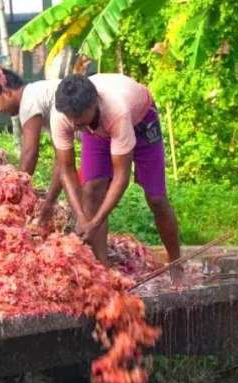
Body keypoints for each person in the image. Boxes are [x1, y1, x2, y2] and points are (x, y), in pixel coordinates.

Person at [51, 74, 182, 278]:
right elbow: (66, 169)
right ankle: (103, 271)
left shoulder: (116, 111)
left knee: (156, 198)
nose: (76, 126)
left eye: (80, 121)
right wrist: (82, 217)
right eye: (73, 122)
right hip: (97, 127)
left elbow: (122, 176)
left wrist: (94, 223)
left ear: (94, 104)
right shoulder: (63, 116)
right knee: (92, 189)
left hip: (141, 122)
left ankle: (176, 262)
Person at [0, 68, 62, 224]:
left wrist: (13, 194)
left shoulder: (28, 100)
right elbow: (62, 160)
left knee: (91, 191)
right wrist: (49, 201)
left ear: (6, 91)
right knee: (90, 191)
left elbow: (30, 153)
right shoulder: (39, 93)